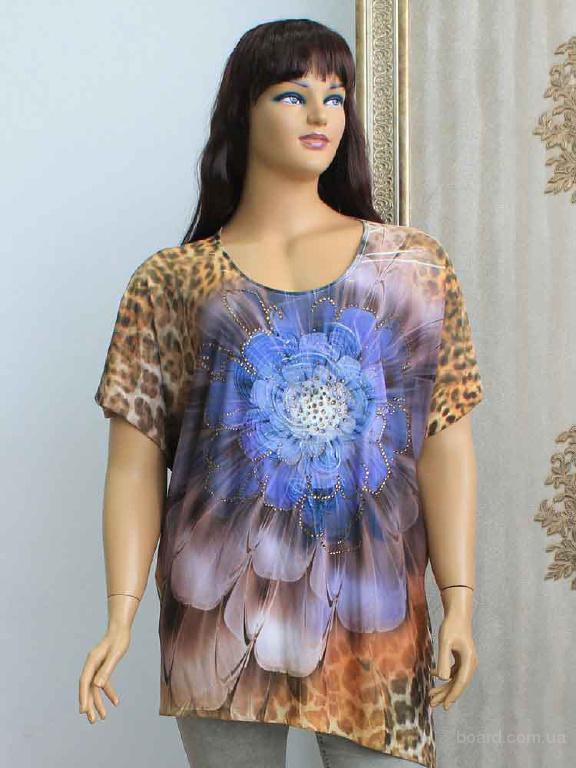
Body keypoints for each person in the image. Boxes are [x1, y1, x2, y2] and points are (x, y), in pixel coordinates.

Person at [79, 18, 484, 768]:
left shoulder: (413, 269)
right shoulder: (171, 281)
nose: (321, 112)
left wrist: (459, 595)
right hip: (218, 614)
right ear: (244, 109)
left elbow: (444, 441)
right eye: (293, 94)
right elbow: (135, 462)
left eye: (336, 95)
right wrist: (120, 614)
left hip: (377, 617)